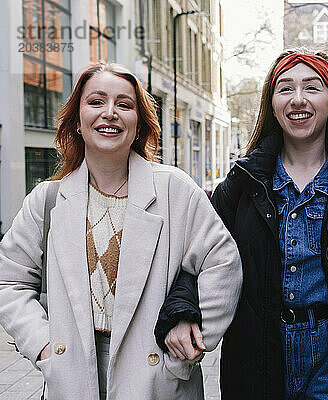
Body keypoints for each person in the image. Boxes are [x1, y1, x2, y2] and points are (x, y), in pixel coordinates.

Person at [155, 50, 328, 399]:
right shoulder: (241, 187)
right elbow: (198, 257)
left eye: (312, 87)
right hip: (259, 366)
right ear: (272, 103)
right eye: (285, 88)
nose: (298, 99)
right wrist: (183, 312)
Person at [0, 61, 242, 400]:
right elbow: (9, 281)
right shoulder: (48, 200)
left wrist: (184, 352)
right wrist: (42, 347)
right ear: (77, 120)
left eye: (124, 105)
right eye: (96, 102)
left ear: (138, 123)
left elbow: (223, 266)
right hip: (71, 374)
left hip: (156, 376)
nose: (110, 113)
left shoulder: (175, 190)